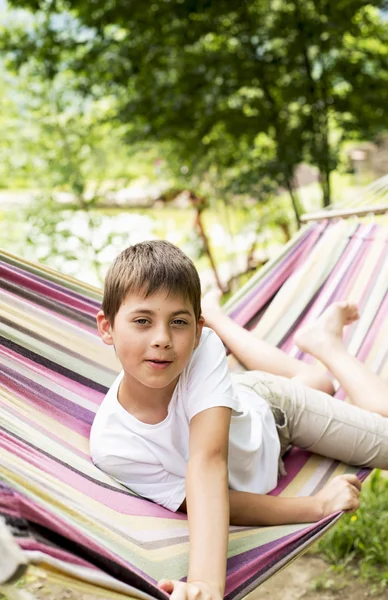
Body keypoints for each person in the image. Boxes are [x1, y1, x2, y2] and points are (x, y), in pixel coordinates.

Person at [90, 240, 388, 600]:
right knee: (320, 384)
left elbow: (208, 461)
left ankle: (326, 345)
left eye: (179, 322)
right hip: (239, 414)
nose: (162, 339)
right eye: (142, 321)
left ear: (197, 332)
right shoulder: (113, 446)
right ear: (106, 328)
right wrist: (313, 505)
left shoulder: (202, 351)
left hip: (274, 412)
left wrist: (205, 583)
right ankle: (316, 344)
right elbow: (207, 498)